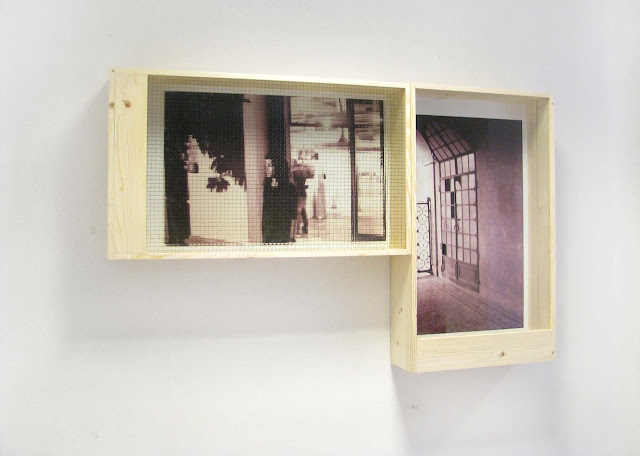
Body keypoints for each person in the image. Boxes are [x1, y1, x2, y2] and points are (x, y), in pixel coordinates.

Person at [262, 157, 296, 243]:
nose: (266, 169)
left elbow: (292, 213)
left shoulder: (289, 187)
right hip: (269, 230)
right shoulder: (267, 185)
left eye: (270, 165)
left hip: (281, 230)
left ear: (278, 167)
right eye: (265, 166)